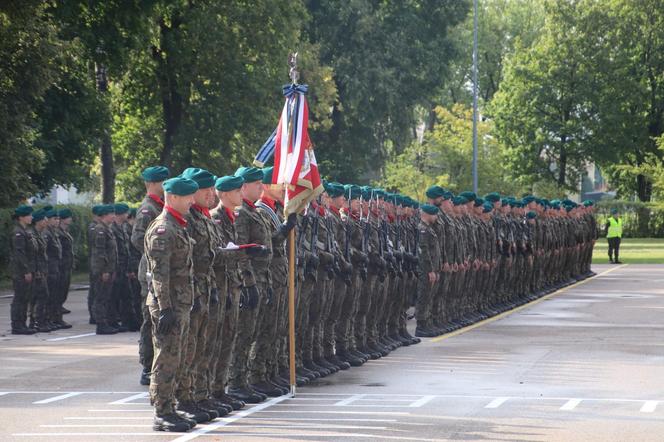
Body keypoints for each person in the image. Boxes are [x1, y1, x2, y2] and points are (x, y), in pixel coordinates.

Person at [145, 176, 199, 433]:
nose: (192, 201)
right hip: (168, 305)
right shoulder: (163, 229)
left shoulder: (179, 226)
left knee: (178, 356)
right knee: (166, 357)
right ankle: (162, 412)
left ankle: (171, 406)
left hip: (180, 303)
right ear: (174, 197)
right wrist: (165, 308)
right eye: (188, 196)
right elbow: (159, 274)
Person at [131, 166, 170, 386]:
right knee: (150, 319)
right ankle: (147, 366)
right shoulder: (148, 209)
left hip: (158, 270)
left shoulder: (160, 206)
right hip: (150, 271)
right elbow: (137, 239)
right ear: (152, 184)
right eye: (162, 182)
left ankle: (155, 362)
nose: (165, 185)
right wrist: (155, 252)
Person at [91, 204, 119, 335]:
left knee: (105, 297)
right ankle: (101, 324)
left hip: (109, 268)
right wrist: (104, 271)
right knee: (100, 297)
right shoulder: (100, 230)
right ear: (104, 215)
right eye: (110, 214)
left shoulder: (107, 229)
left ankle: (105, 322)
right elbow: (100, 253)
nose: (113, 216)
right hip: (103, 270)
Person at [10, 205, 38, 335]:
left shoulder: (25, 231)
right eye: (29, 215)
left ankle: (22, 324)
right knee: (20, 298)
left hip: (27, 269)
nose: (31, 217)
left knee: (25, 298)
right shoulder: (18, 232)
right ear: (21, 217)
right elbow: (19, 254)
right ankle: (17, 325)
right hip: (21, 271)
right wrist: (26, 271)